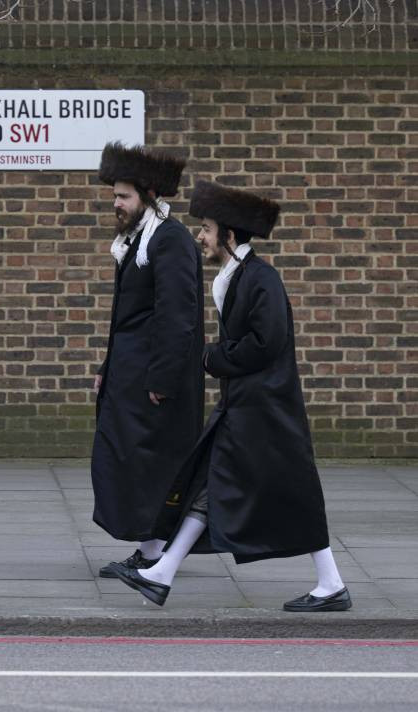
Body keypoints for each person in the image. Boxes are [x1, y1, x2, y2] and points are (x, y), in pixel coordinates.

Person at [112, 180, 351, 612]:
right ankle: (161, 573)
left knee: (290, 493)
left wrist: (212, 358)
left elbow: (266, 342)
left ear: (230, 235)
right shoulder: (237, 277)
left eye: (206, 228)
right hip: (246, 407)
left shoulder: (262, 279)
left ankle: (331, 583)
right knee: (209, 486)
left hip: (268, 411)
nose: (200, 237)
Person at [91, 142, 205, 578]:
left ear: (150, 195)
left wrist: (162, 380)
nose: (116, 203)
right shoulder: (138, 240)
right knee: (126, 461)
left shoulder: (170, 240)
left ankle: (153, 553)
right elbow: (127, 319)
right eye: (115, 196)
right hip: (129, 375)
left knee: (150, 465)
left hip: (153, 381)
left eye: (124, 196)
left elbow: (177, 317)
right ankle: (150, 549)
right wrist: (107, 368)